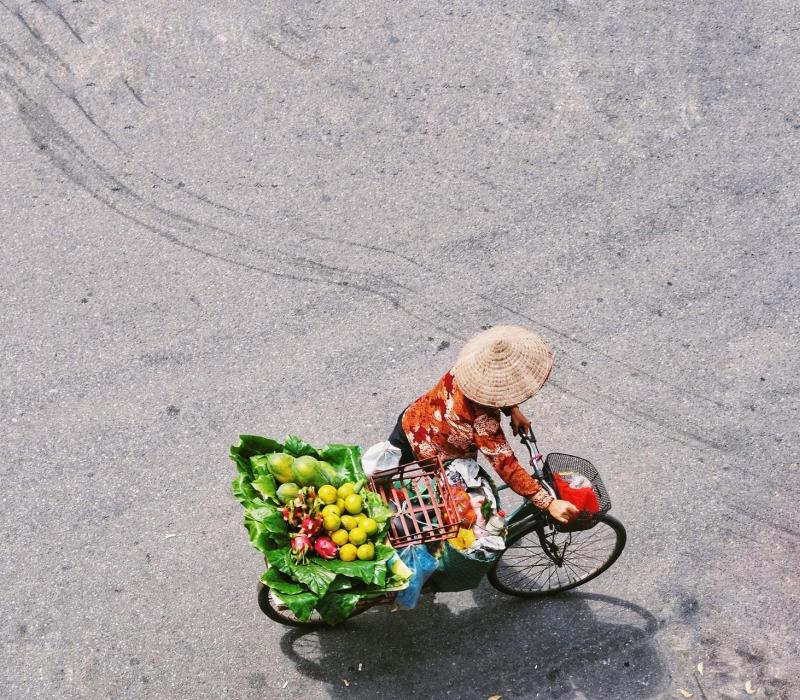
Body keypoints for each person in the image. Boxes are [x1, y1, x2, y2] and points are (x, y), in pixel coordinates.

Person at [388, 325, 580, 524]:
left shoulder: (468, 367)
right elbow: (506, 466)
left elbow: (494, 388)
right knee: (447, 511)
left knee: (389, 477)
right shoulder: (484, 423)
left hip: (413, 419)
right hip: (435, 451)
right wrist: (548, 503)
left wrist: (512, 410)